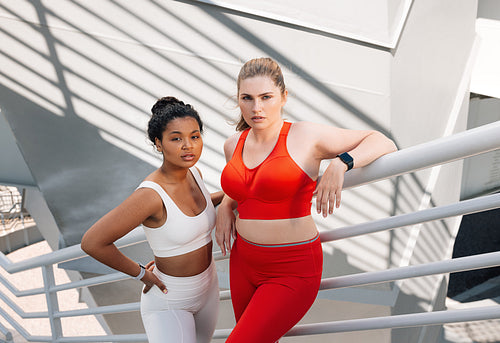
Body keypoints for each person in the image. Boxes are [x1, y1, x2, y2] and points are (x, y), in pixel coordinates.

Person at [216, 57, 397, 342]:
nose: (256, 107)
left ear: (284, 97)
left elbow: (382, 141)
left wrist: (341, 163)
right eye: (247, 98)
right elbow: (244, 189)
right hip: (243, 262)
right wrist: (226, 204)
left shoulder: (305, 136)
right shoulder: (233, 144)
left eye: (266, 97)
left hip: (291, 270)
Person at [81, 96, 223, 343]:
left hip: (208, 287)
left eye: (195, 136)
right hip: (170, 299)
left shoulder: (194, 174)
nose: (188, 145)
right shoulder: (149, 195)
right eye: (176, 138)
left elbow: (196, 209)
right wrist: (140, 274)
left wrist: (232, 193)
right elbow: (93, 242)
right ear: (158, 143)